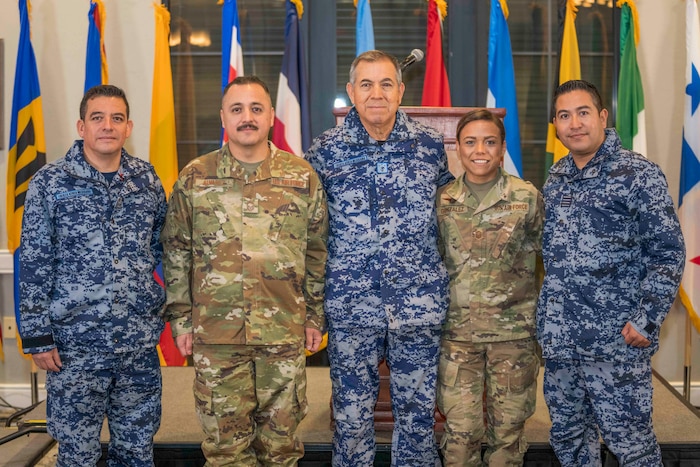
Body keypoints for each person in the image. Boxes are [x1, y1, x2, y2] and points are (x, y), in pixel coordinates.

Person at [161, 75, 328, 466]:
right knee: (225, 450)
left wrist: (314, 317)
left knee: (281, 448)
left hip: (283, 333)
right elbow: (176, 252)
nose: (247, 117)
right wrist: (181, 322)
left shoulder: (301, 178)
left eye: (256, 109)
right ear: (223, 116)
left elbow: (318, 252)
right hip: (216, 336)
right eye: (237, 109)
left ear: (271, 116)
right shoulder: (195, 178)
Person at [305, 50, 453, 466]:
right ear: (351, 92)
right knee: (351, 422)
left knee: (418, 421)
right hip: (352, 307)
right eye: (365, 84)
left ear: (401, 90)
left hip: (418, 306)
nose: (376, 93)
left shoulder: (428, 144)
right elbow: (309, 229)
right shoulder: (325, 151)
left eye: (386, 83)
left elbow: (447, 215)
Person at [537, 79, 685, 466]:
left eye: (583, 112)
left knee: (631, 445)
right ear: (556, 124)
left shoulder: (638, 174)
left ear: (603, 116)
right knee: (569, 439)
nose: (575, 124)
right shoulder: (556, 179)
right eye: (564, 116)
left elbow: (668, 252)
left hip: (616, 341)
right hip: (562, 343)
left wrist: (647, 319)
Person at [19, 84, 167, 466]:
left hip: (136, 345)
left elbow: (159, 248)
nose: (107, 126)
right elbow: (35, 262)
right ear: (81, 126)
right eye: (97, 118)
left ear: (129, 126)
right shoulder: (50, 184)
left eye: (116, 118)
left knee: (136, 450)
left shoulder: (146, 181)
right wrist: (37, 335)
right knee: (77, 454)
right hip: (73, 347)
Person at [436, 109, 544, 466]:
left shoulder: (526, 198)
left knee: (507, 436)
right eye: (470, 141)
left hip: (512, 339)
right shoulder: (441, 202)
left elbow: (551, 262)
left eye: (489, 141)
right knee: (461, 435)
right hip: (457, 338)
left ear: (501, 149)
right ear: (458, 148)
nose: (479, 149)